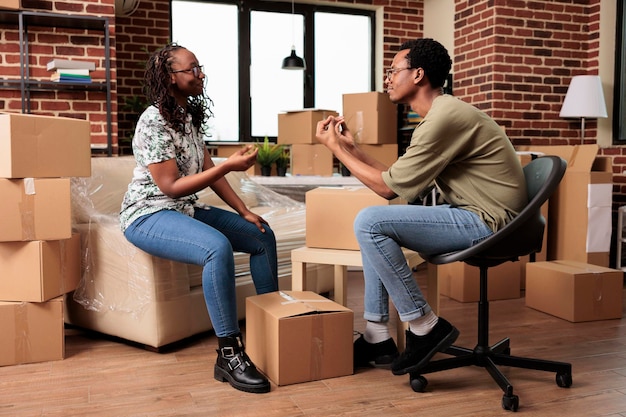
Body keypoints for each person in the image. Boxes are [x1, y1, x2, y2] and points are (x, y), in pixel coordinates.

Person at [315, 38, 527, 377]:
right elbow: (398, 180)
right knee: (374, 226)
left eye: (393, 71)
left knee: (370, 221)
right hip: (476, 214)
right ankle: (378, 336)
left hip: (489, 223)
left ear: (418, 75)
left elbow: (385, 189)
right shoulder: (441, 115)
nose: (387, 79)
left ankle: (426, 325)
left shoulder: (444, 118)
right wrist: (351, 149)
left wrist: (333, 149)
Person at [119, 43, 278, 394]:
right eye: (191, 69)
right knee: (215, 248)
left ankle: (273, 331)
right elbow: (171, 186)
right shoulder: (153, 120)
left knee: (261, 234)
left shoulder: (187, 117)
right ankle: (229, 355)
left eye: (199, 67)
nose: (199, 74)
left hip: (183, 209)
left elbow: (211, 172)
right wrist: (228, 164)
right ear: (169, 77)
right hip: (147, 214)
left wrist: (244, 210)